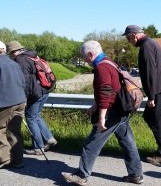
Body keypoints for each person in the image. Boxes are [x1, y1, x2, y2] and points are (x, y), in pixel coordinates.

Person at [61, 40, 144, 185]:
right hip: (122, 109)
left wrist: (101, 117)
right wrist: (95, 106)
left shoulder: (101, 67)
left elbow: (106, 92)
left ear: (91, 54)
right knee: (127, 143)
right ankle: (136, 175)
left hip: (112, 111)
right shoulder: (109, 62)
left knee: (91, 144)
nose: (86, 61)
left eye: (85, 57)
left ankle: (82, 176)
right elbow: (112, 89)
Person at [123, 25, 161, 166]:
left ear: (134, 35)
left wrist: (151, 96)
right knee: (150, 117)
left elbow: (150, 72)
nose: (128, 41)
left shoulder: (146, 47)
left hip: (156, 90)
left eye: (128, 38)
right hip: (159, 88)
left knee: (155, 120)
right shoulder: (151, 43)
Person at [6, 40, 57, 155]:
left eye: (10, 54)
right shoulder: (31, 55)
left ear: (14, 51)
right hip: (44, 90)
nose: (11, 57)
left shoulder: (21, 60)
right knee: (35, 116)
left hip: (35, 94)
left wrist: (22, 98)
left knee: (30, 118)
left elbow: (26, 82)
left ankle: (38, 148)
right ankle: (49, 138)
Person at [0, 41, 27, 169]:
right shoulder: (14, 63)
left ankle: (4, 159)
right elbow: (23, 82)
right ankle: (18, 161)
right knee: (14, 131)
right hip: (20, 100)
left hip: (5, 103)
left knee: (0, 130)